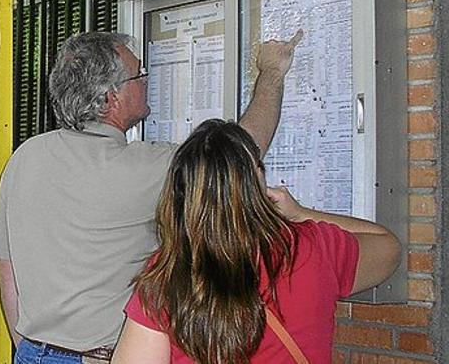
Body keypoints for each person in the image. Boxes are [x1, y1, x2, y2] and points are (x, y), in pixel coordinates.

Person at [0, 30, 302, 364]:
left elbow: (7, 269)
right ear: (111, 97)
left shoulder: (25, 157)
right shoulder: (145, 168)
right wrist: (271, 74)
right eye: (138, 74)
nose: (146, 80)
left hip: (31, 353)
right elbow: (242, 152)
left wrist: (31, 348)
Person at [112, 120, 401, 364]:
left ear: (181, 194)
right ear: (256, 181)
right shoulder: (312, 247)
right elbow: (388, 247)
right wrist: (301, 214)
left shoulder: (168, 273)